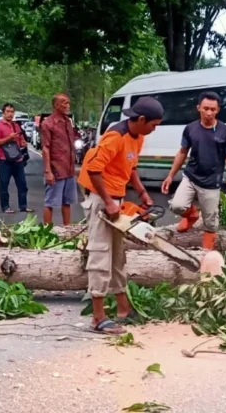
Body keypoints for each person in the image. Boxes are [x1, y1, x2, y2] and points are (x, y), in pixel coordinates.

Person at [78, 96, 163, 335]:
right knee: (100, 254)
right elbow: (94, 170)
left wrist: (142, 193)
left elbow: (131, 167)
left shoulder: (138, 137)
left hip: (116, 197)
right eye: (153, 125)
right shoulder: (114, 136)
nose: (153, 130)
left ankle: (123, 307)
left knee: (118, 254)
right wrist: (107, 202)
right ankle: (97, 317)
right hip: (101, 198)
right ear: (142, 119)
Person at [162, 91, 226, 250]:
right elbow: (182, 152)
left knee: (210, 224)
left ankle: (205, 257)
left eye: (213, 109)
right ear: (198, 108)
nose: (209, 113)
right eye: (206, 108)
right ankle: (192, 216)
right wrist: (170, 176)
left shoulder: (225, 131)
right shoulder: (190, 129)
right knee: (177, 206)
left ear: (217, 110)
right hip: (191, 177)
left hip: (212, 183)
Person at [41, 93, 79, 225]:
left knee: (67, 202)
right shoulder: (47, 124)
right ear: (56, 105)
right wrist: (48, 171)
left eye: (68, 102)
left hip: (69, 169)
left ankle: (67, 229)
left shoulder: (68, 121)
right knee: (50, 202)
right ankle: (46, 231)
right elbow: (45, 148)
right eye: (64, 103)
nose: (67, 105)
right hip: (56, 170)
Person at [0, 103, 33, 214]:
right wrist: (8, 138)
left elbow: (20, 139)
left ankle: (23, 206)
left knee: (22, 184)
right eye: (8, 112)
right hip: (3, 159)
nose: (10, 114)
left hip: (17, 159)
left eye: (12, 112)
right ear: (3, 113)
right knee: (4, 184)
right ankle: (5, 206)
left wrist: (23, 143)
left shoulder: (16, 126)